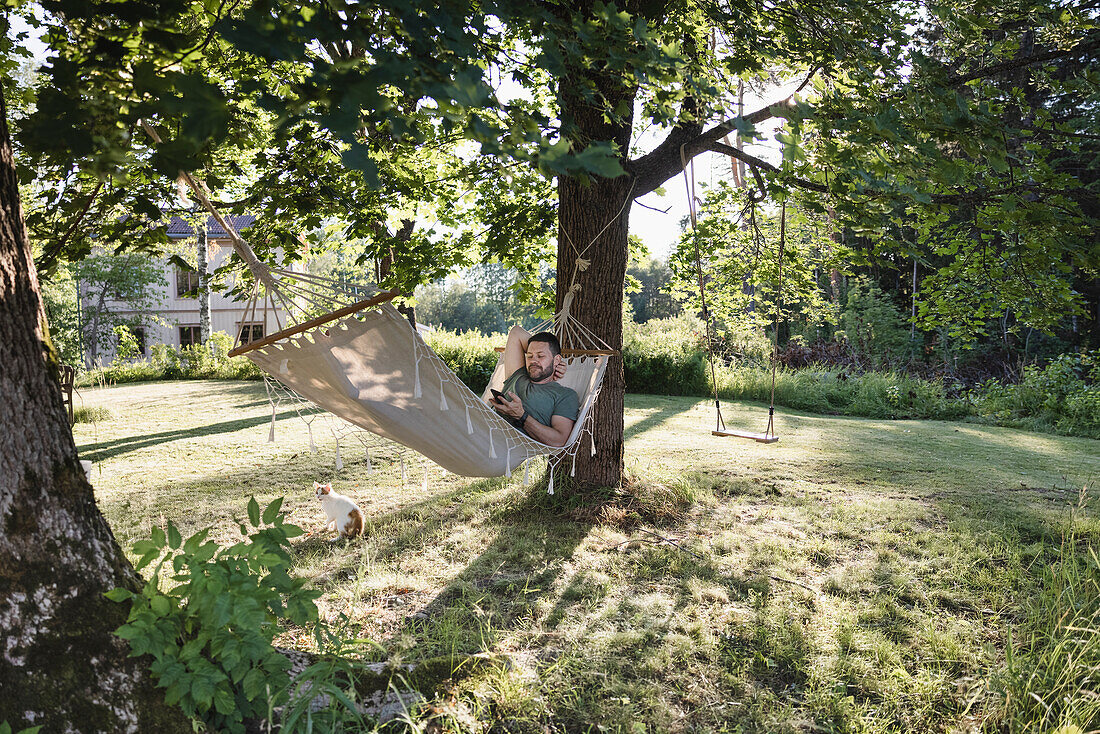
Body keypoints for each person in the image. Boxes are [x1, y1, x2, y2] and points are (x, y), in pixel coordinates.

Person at [489, 325, 579, 446]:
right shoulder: (517, 375)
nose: (533, 361)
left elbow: (559, 440)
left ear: (556, 359)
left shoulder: (565, 395)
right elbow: (516, 332)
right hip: (481, 427)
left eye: (541, 356)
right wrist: (549, 359)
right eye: (529, 356)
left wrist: (522, 416)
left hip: (502, 445)